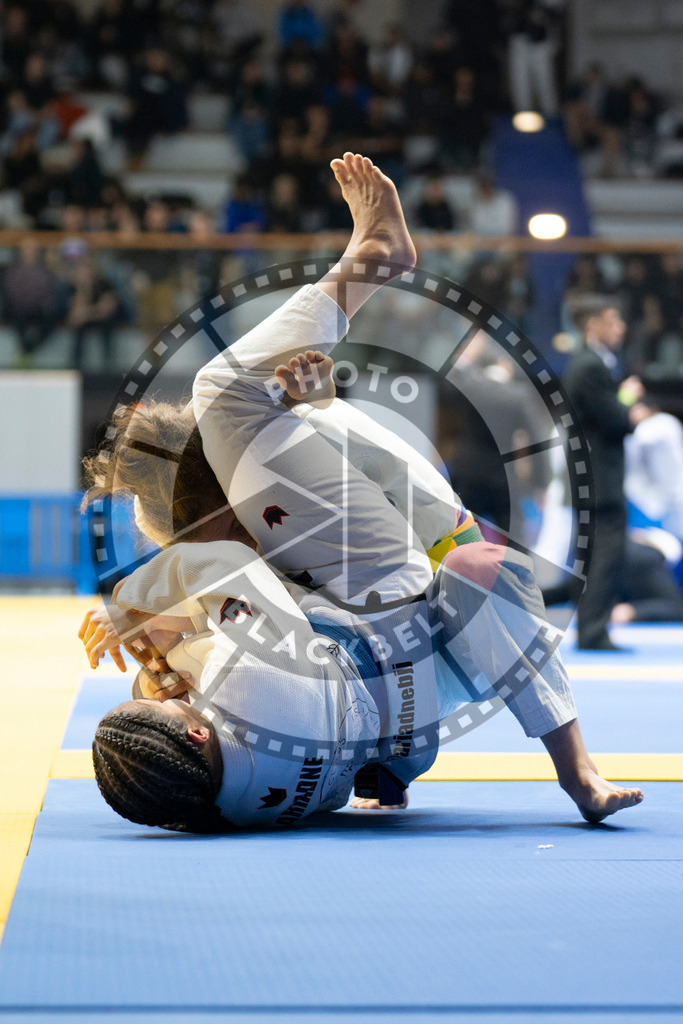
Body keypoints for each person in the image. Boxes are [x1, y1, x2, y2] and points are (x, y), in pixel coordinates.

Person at [80, 154, 643, 830]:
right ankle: (373, 261)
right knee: (222, 394)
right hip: (410, 598)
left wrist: (156, 668)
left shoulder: (221, 799)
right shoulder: (246, 657)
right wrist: (134, 604)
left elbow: (198, 631)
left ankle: (434, 770)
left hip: (403, 729)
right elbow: (228, 567)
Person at [562, 295, 642, 650]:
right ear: (592, 325)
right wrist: (628, 402)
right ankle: (593, 631)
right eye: (612, 320)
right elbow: (615, 419)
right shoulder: (589, 367)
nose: (620, 327)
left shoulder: (594, 364)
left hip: (594, 478)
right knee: (603, 556)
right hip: (598, 480)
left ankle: (594, 629)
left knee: (597, 555)